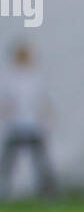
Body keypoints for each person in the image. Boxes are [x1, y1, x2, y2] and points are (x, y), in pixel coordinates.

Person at [0, 43, 58, 202]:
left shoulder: (35, 77)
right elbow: (6, 101)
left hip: (33, 127)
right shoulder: (10, 78)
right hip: (16, 126)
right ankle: (4, 192)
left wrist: (47, 119)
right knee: (7, 163)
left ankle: (49, 195)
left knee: (41, 163)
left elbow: (43, 101)